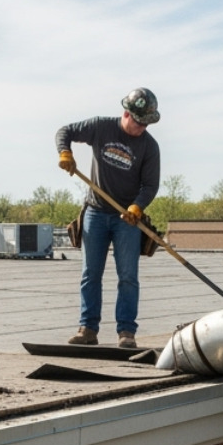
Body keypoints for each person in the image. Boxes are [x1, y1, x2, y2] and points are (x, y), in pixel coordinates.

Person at [56, 88, 161, 348]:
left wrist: (137, 207)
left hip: (128, 220)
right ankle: (87, 329)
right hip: (95, 212)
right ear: (126, 113)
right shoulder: (100, 127)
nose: (141, 128)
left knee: (128, 276)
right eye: (138, 122)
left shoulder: (149, 146)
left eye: (146, 123)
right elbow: (64, 132)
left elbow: (150, 185)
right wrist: (65, 153)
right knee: (91, 274)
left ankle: (127, 332)